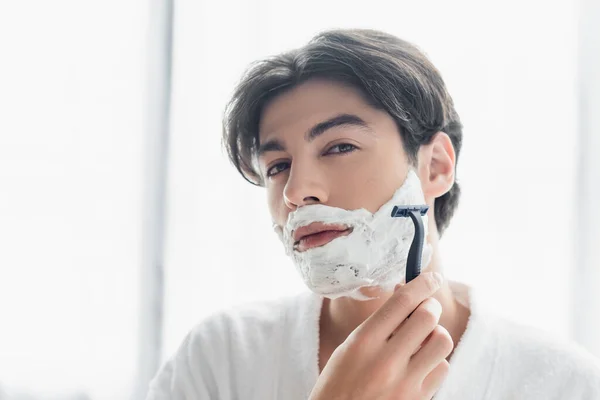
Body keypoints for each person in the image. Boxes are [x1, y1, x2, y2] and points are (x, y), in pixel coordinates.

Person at [146, 29, 600, 399]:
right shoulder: (221, 359)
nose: (297, 192)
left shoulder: (564, 384)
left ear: (436, 167)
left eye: (340, 147)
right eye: (278, 166)